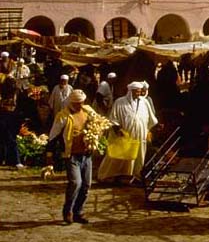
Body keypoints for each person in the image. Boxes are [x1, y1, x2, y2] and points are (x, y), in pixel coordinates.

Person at [45, 89, 99, 224]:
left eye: (81, 103)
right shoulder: (63, 116)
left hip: (86, 155)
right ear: (71, 102)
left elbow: (98, 125)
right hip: (72, 155)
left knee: (86, 185)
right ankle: (67, 211)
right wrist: (49, 157)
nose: (79, 105)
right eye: (76, 103)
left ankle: (78, 212)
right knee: (76, 183)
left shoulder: (88, 111)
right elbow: (53, 136)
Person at [97, 81, 158, 185]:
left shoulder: (145, 102)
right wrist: (118, 129)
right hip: (126, 135)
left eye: (140, 92)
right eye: (136, 92)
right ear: (130, 92)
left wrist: (149, 130)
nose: (138, 94)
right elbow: (113, 119)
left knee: (139, 156)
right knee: (119, 157)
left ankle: (136, 175)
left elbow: (151, 119)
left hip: (140, 134)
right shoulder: (120, 102)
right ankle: (110, 176)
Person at [0, 76, 24, 169]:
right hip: (8, 116)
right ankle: (12, 160)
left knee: (8, 139)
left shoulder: (14, 93)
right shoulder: (13, 93)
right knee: (9, 139)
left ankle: (13, 160)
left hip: (8, 116)